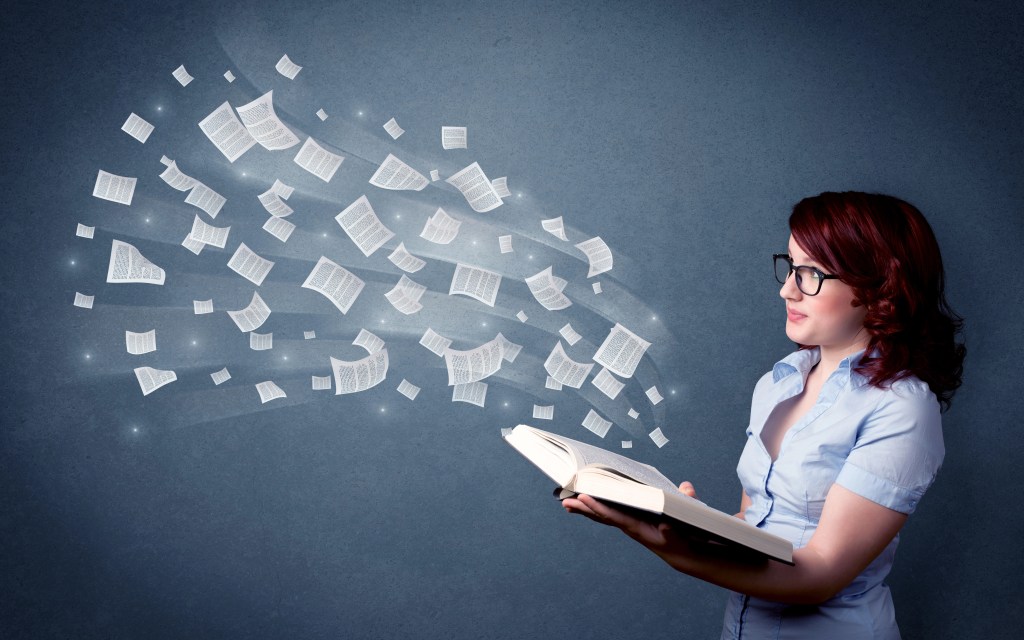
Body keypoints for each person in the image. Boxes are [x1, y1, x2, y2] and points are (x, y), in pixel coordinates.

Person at [563, 192, 966, 639]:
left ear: (878, 286)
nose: (787, 289)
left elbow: (819, 576)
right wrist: (689, 523)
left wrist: (672, 550)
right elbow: (757, 527)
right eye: (791, 266)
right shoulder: (777, 383)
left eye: (812, 273)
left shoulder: (902, 409)